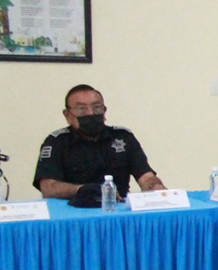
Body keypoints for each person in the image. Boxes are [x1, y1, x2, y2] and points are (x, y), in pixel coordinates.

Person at [33, 85, 167, 199]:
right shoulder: (57, 142)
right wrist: (83, 190)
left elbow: (146, 176)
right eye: (81, 108)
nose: (90, 113)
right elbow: (48, 187)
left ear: (104, 111)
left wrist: (154, 186)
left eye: (97, 107)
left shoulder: (123, 138)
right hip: (73, 211)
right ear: (67, 115)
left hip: (117, 209)